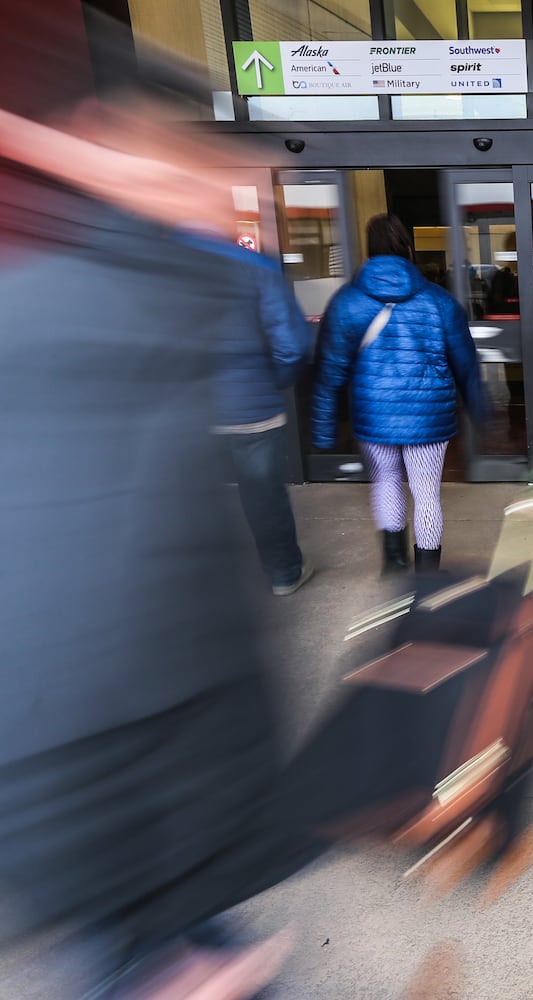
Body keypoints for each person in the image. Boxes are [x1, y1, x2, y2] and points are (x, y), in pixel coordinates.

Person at [0, 28, 299, 999]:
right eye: (195, 162)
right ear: (109, 151)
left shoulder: (166, 300)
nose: (226, 191)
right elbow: (47, 647)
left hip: (183, 835)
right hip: (121, 868)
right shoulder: (57, 332)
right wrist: (141, 952)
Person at [311, 214, 487, 574]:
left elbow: (329, 370)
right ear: (408, 248)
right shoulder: (439, 301)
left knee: (386, 481)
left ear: (369, 251)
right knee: (426, 493)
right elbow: (465, 363)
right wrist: (480, 412)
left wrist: (323, 430)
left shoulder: (346, 302)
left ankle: (393, 566)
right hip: (428, 415)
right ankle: (426, 579)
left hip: (373, 415)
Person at [179, 231, 315, 596]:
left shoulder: (164, 262)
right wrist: (272, 383)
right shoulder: (255, 266)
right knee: (264, 495)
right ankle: (284, 573)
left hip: (189, 410)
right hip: (251, 407)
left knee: (191, 498)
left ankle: (205, 587)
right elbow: (292, 345)